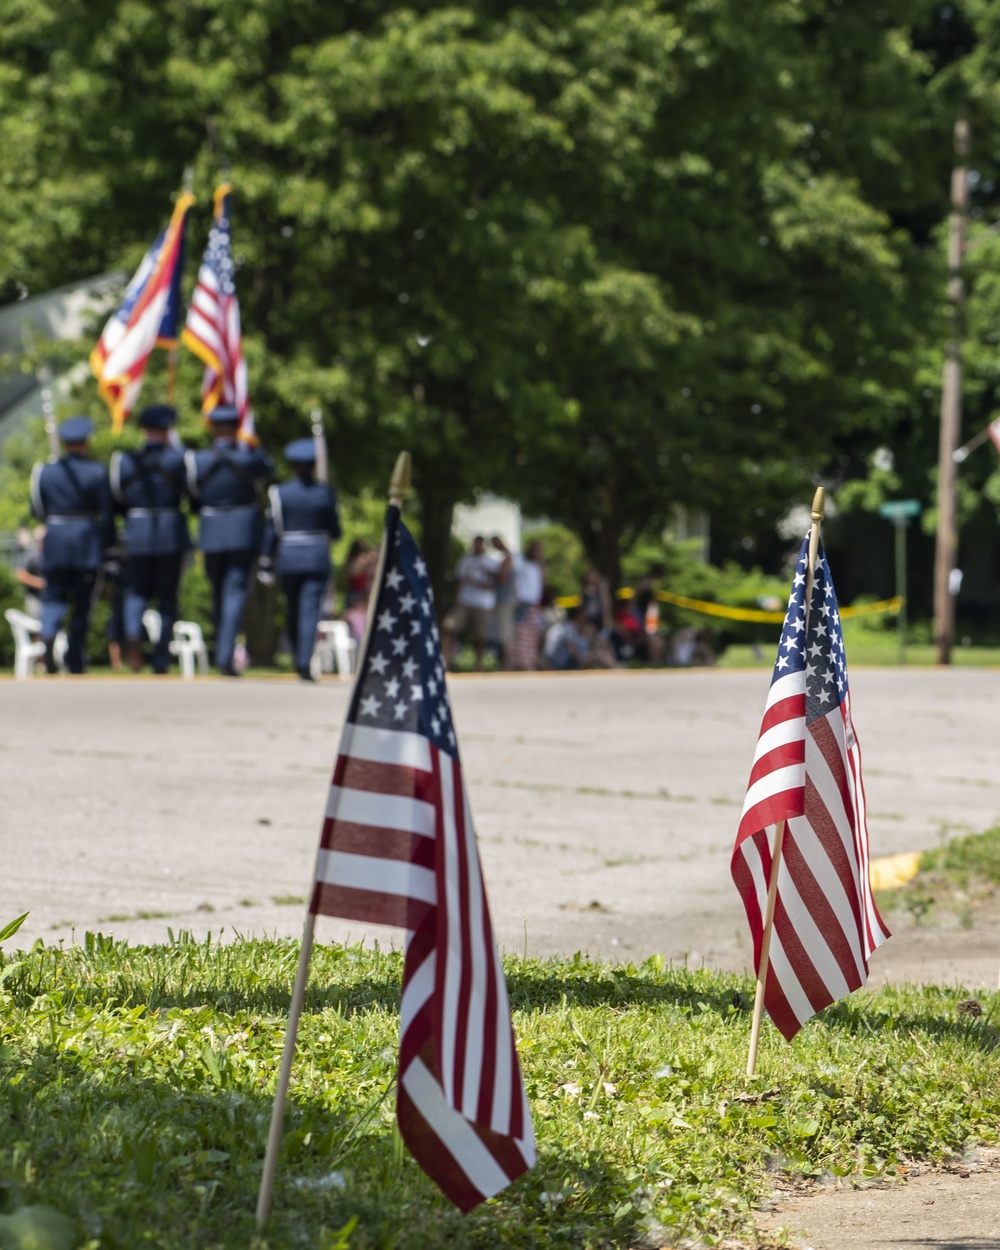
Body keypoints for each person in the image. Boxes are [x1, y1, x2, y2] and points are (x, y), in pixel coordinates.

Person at [184, 406, 272, 675]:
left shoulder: (198, 460)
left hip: (211, 531)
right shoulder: (250, 459)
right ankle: (225, 655)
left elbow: (193, 499)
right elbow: (269, 467)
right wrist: (252, 445)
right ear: (237, 428)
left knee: (219, 593)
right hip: (242, 532)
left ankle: (222, 651)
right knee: (233, 593)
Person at [109, 405, 191, 674]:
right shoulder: (179, 459)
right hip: (170, 532)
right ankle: (161, 657)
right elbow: (190, 493)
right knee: (167, 598)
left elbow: (118, 497)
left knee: (136, 590)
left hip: (137, 531)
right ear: (168, 430)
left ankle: (133, 631)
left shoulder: (125, 460)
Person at [29, 416, 114, 673]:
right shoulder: (98, 471)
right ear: (86, 442)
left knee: (53, 596)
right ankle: (74, 658)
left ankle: (49, 630)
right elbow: (107, 513)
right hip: (86, 541)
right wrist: (108, 546)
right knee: (82, 603)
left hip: (55, 538)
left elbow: (38, 509)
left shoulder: (46, 471)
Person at [259, 438, 341, 681]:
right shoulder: (325, 493)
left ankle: (299, 657)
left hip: (289, 557)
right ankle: (303, 661)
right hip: (315, 555)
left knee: (295, 609)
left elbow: (272, 530)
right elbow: (335, 531)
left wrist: (266, 562)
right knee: (308, 611)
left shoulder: (279, 493)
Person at [441, 535, 499, 671]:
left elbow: (495, 583)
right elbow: (459, 580)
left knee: (481, 635)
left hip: (483, 603)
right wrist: (457, 598)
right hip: (464, 600)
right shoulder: (466, 559)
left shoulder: (492, 561)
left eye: (480, 544)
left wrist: (477, 582)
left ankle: (478, 665)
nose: (477, 547)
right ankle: (445, 661)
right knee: (449, 627)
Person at [512, 539, 545, 670]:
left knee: (533, 634)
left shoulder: (537, 567)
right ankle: (521, 663)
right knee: (522, 634)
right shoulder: (522, 565)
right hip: (523, 603)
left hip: (534, 604)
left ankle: (529, 662)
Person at [490, 535, 515, 668]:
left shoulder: (507, 557)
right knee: (505, 632)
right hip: (507, 599)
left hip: (505, 600)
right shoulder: (509, 555)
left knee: (505, 634)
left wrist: (489, 574)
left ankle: (507, 665)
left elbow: (502, 578)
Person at [15, 526, 46, 621]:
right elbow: (20, 574)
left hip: (51, 598)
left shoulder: (55, 554)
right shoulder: (33, 555)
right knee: (35, 627)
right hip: (35, 598)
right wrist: (39, 583)